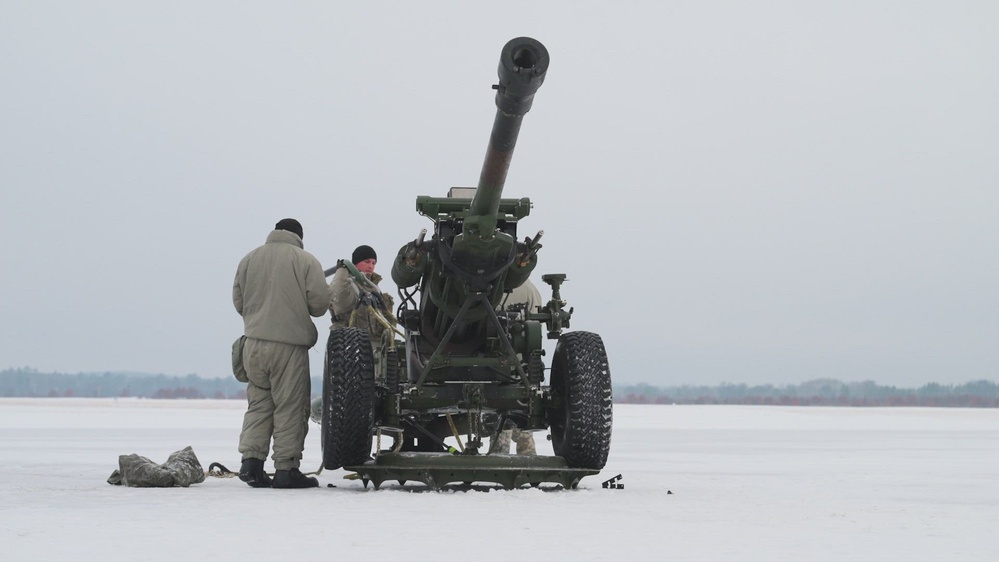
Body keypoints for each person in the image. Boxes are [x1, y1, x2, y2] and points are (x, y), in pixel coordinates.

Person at [232, 218, 329, 489]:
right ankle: (286, 469)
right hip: (288, 346)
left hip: (252, 344)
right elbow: (320, 304)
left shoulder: (248, 259)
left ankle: (251, 464)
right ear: (299, 236)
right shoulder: (306, 260)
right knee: (290, 406)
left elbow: (239, 301)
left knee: (259, 404)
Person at [310, 244, 397, 423]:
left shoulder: (375, 290)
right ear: (355, 263)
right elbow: (340, 302)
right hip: (350, 354)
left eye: (373, 262)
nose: (371, 266)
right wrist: (343, 271)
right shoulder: (346, 285)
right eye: (366, 261)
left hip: (377, 354)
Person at [489, 278, 542, 456]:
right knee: (520, 422)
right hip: (520, 367)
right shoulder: (530, 290)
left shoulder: (487, 287)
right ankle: (528, 463)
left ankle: (497, 461)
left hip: (490, 366)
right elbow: (536, 325)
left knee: (500, 424)